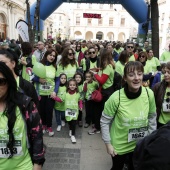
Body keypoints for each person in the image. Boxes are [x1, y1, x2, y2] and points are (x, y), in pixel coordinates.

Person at [100, 61, 157, 170]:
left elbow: (152, 118)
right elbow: (104, 121)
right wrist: (108, 144)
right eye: (131, 75)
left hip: (140, 144)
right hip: (120, 145)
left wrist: (149, 140)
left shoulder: (149, 94)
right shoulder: (116, 98)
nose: (136, 78)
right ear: (125, 78)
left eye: (139, 74)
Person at [0, 61, 45, 170]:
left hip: (23, 166)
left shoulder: (25, 103)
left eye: (0, 81)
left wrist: (37, 165)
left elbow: (37, 136)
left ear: (9, 82)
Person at [89, 48, 115, 135]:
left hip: (106, 92)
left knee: (100, 110)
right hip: (104, 91)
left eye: (100, 55)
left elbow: (102, 81)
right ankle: (98, 126)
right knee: (98, 110)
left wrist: (95, 74)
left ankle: (98, 128)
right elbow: (102, 71)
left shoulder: (108, 67)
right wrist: (97, 69)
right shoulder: (106, 65)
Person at [32, 48, 57, 137]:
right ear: (46, 55)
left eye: (54, 56)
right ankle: (43, 126)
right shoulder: (39, 65)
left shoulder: (55, 66)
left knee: (49, 111)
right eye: (50, 55)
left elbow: (57, 80)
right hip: (40, 93)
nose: (52, 57)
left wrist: (55, 91)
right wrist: (38, 79)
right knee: (41, 111)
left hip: (50, 93)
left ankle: (49, 127)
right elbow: (32, 77)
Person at [54, 79, 83, 143]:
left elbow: (80, 100)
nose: (72, 86)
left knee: (74, 123)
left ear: (76, 86)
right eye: (70, 85)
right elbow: (61, 100)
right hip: (67, 112)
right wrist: (55, 97)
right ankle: (70, 129)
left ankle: (73, 135)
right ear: (68, 86)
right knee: (69, 122)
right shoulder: (65, 94)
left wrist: (81, 106)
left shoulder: (77, 94)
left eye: (73, 85)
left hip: (75, 112)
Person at [152, 62, 170, 128]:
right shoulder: (158, 87)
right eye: (165, 72)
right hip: (161, 123)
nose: (165, 75)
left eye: (169, 72)